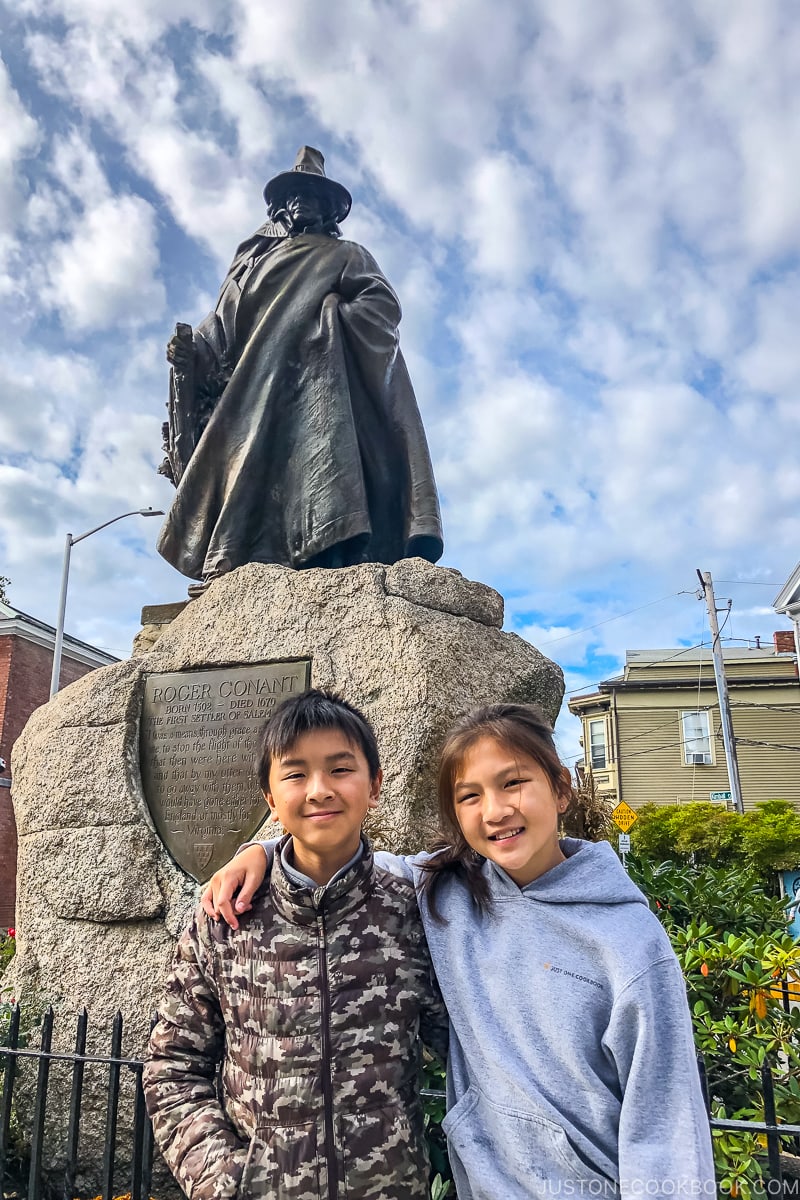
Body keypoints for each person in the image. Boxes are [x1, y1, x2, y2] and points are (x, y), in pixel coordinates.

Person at [204, 702, 716, 1199]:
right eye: (469, 795)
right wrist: (262, 851)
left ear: (561, 789)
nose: (495, 810)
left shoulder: (629, 939)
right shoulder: (447, 890)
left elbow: (665, 1122)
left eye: (513, 782)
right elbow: (341, 860)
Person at [143, 689, 448, 1200]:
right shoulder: (225, 915)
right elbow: (172, 1066)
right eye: (295, 774)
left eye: (340, 769)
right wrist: (225, 1181)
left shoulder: (415, 912)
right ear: (270, 798)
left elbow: (467, 1047)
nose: (319, 789)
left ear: (374, 785)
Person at [157, 145, 443, 588]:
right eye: (293, 195)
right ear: (279, 207)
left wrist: (329, 320)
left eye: (312, 195)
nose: (301, 202)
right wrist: (191, 351)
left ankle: (331, 550)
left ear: (329, 209)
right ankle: (238, 565)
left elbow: (381, 307)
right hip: (254, 387)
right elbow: (223, 329)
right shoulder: (250, 268)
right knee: (246, 468)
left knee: (322, 468)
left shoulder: (347, 256)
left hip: (318, 384)